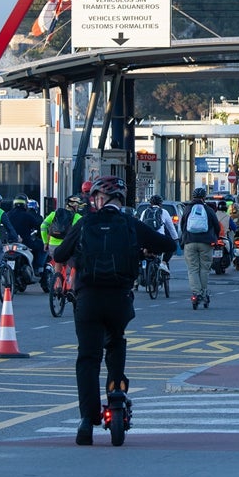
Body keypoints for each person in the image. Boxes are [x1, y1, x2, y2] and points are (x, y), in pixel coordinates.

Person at [51, 175, 175, 446]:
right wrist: (144, 251)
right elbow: (169, 245)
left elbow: (59, 255)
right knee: (116, 341)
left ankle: (87, 420)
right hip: (119, 298)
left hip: (88, 300)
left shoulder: (84, 223)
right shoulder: (131, 223)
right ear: (121, 199)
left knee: (87, 357)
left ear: (99, 199)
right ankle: (116, 394)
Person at [180, 187, 220, 309]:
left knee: (192, 269)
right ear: (204, 197)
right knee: (204, 268)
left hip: (190, 242)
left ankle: (196, 294)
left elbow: (182, 226)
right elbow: (216, 226)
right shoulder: (208, 210)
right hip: (206, 243)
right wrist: (215, 238)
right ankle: (203, 292)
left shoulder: (187, 209)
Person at [3, 195, 45, 280]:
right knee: (42, 246)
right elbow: (39, 226)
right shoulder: (28, 216)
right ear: (25, 204)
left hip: (9, 243)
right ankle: (38, 268)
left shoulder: (8, 214)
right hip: (25, 243)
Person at [143, 194, 179, 273]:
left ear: (150, 203)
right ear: (160, 204)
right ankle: (164, 263)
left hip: (146, 239)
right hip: (159, 238)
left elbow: (140, 224)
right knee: (171, 246)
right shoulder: (164, 212)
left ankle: (138, 276)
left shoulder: (145, 212)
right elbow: (171, 227)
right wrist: (175, 238)